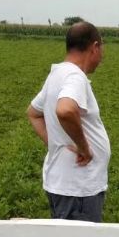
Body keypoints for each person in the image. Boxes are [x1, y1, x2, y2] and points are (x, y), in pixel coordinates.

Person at [27, 21, 110, 223]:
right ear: (94, 47)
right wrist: (84, 148)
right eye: (102, 49)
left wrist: (55, 143)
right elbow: (65, 110)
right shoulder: (75, 77)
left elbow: (33, 113)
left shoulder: (57, 74)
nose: (102, 57)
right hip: (78, 189)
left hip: (65, 184)